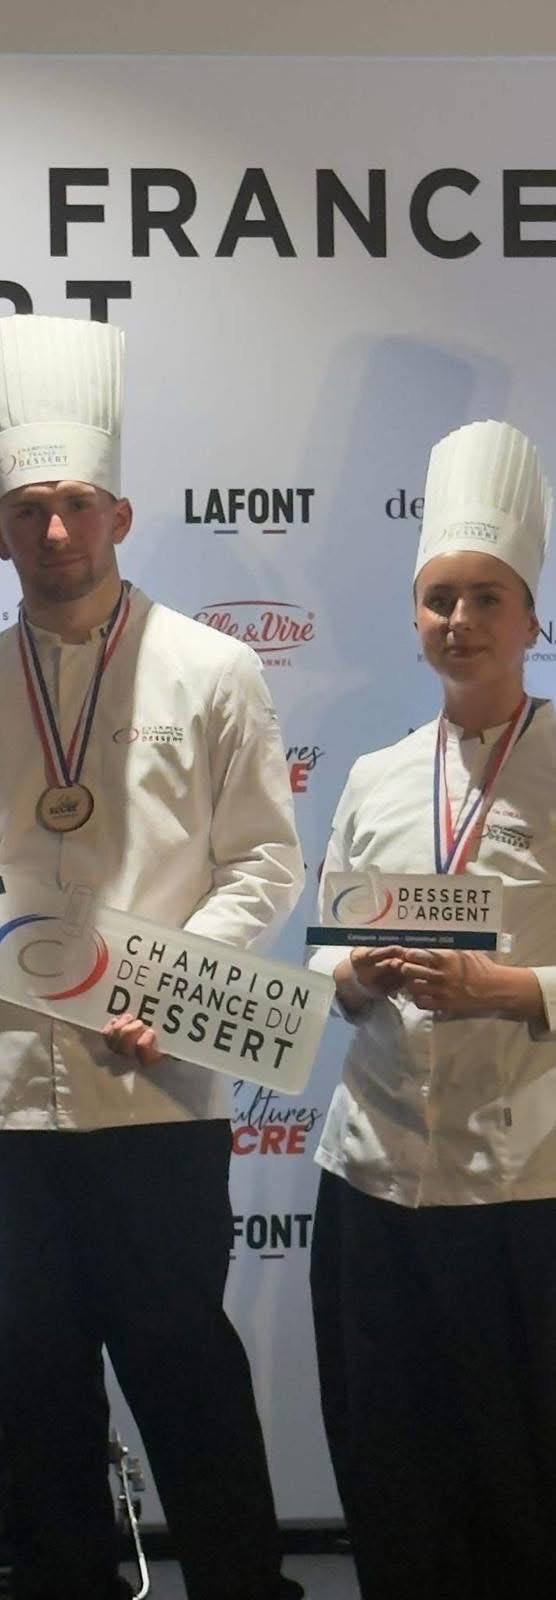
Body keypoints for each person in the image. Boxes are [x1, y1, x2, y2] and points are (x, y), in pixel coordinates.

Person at [0, 312, 306, 1600]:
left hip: (160, 1082)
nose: (58, 532)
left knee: (184, 1366)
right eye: (31, 510)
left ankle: (244, 1586)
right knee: (38, 1383)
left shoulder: (214, 669)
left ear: (121, 514)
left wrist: (173, 982)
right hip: (13, 1099)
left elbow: (264, 862)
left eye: (76, 504)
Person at [307, 420, 556, 1599]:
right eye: (439, 598)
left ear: (531, 617)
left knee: (524, 1485)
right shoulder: (373, 775)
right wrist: (357, 976)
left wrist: (503, 987)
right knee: (391, 1472)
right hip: (377, 1175)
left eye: (486, 598)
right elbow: (322, 963)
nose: (459, 620)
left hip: (529, 1186)